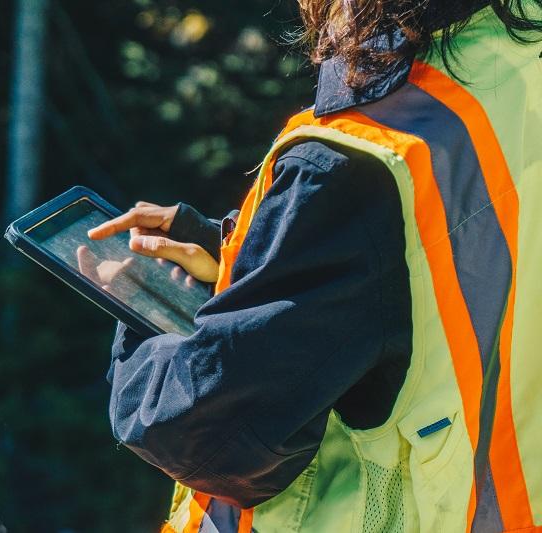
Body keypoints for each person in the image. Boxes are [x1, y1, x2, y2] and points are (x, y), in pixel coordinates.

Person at [88, 0, 542, 531]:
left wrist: (141, 315)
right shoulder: (521, 58)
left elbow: (213, 439)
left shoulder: (359, 161)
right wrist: (248, 255)